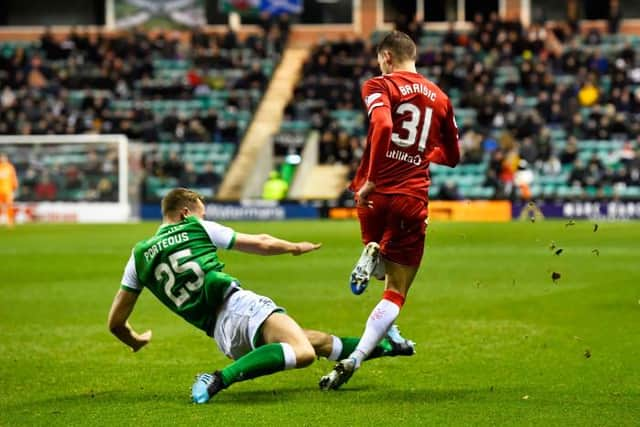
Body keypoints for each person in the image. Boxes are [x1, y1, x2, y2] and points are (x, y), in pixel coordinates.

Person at [108, 188, 415, 404]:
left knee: (314, 341)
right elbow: (262, 242)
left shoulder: (138, 257)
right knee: (303, 352)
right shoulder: (194, 227)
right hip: (237, 306)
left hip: (221, 334)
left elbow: (116, 323)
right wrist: (295, 247)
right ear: (186, 212)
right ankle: (217, 379)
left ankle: (389, 345)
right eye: (202, 211)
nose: (204, 216)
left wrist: (135, 341)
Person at [320, 31, 460, 390]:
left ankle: (388, 313)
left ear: (386, 57)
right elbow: (454, 157)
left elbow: (382, 123)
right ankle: (356, 357)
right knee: (397, 289)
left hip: (371, 194)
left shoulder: (379, 85)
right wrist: (424, 154)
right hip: (410, 197)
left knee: (384, 263)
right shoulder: (441, 98)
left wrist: (372, 178)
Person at [0, 153, 18, 227]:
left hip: (8, 190)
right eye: (1, 158)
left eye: (4, 158)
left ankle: (10, 221)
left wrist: (15, 187)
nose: (2, 159)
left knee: (9, 205)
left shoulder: (10, 167)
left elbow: (14, 178)